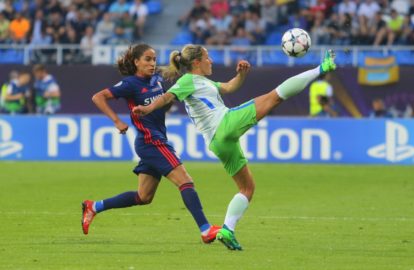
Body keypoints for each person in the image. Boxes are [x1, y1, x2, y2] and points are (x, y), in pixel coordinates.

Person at [133, 44, 337, 250]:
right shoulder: (187, 80)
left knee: (247, 188)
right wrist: (149, 108)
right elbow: (168, 97)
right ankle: (322, 68)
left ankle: (227, 230)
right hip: (225, 124)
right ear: (196, 63)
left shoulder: (203, 82)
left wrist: (241, 75)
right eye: (207, 57)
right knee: (274, 97)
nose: (210, 60)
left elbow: (230, 87)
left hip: (218, 143)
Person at [82, 44, 220, 244]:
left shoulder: (156, 80)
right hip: (150, 141)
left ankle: (94, 206)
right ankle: (206, 229)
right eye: (147, 59)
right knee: (186, 181)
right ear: (136, 62)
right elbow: (98, 97)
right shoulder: (130, 84)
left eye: (154, 59)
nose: (152, 63)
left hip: (155, 139)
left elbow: (164, 100)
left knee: (144, 196)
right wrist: (117, 121)